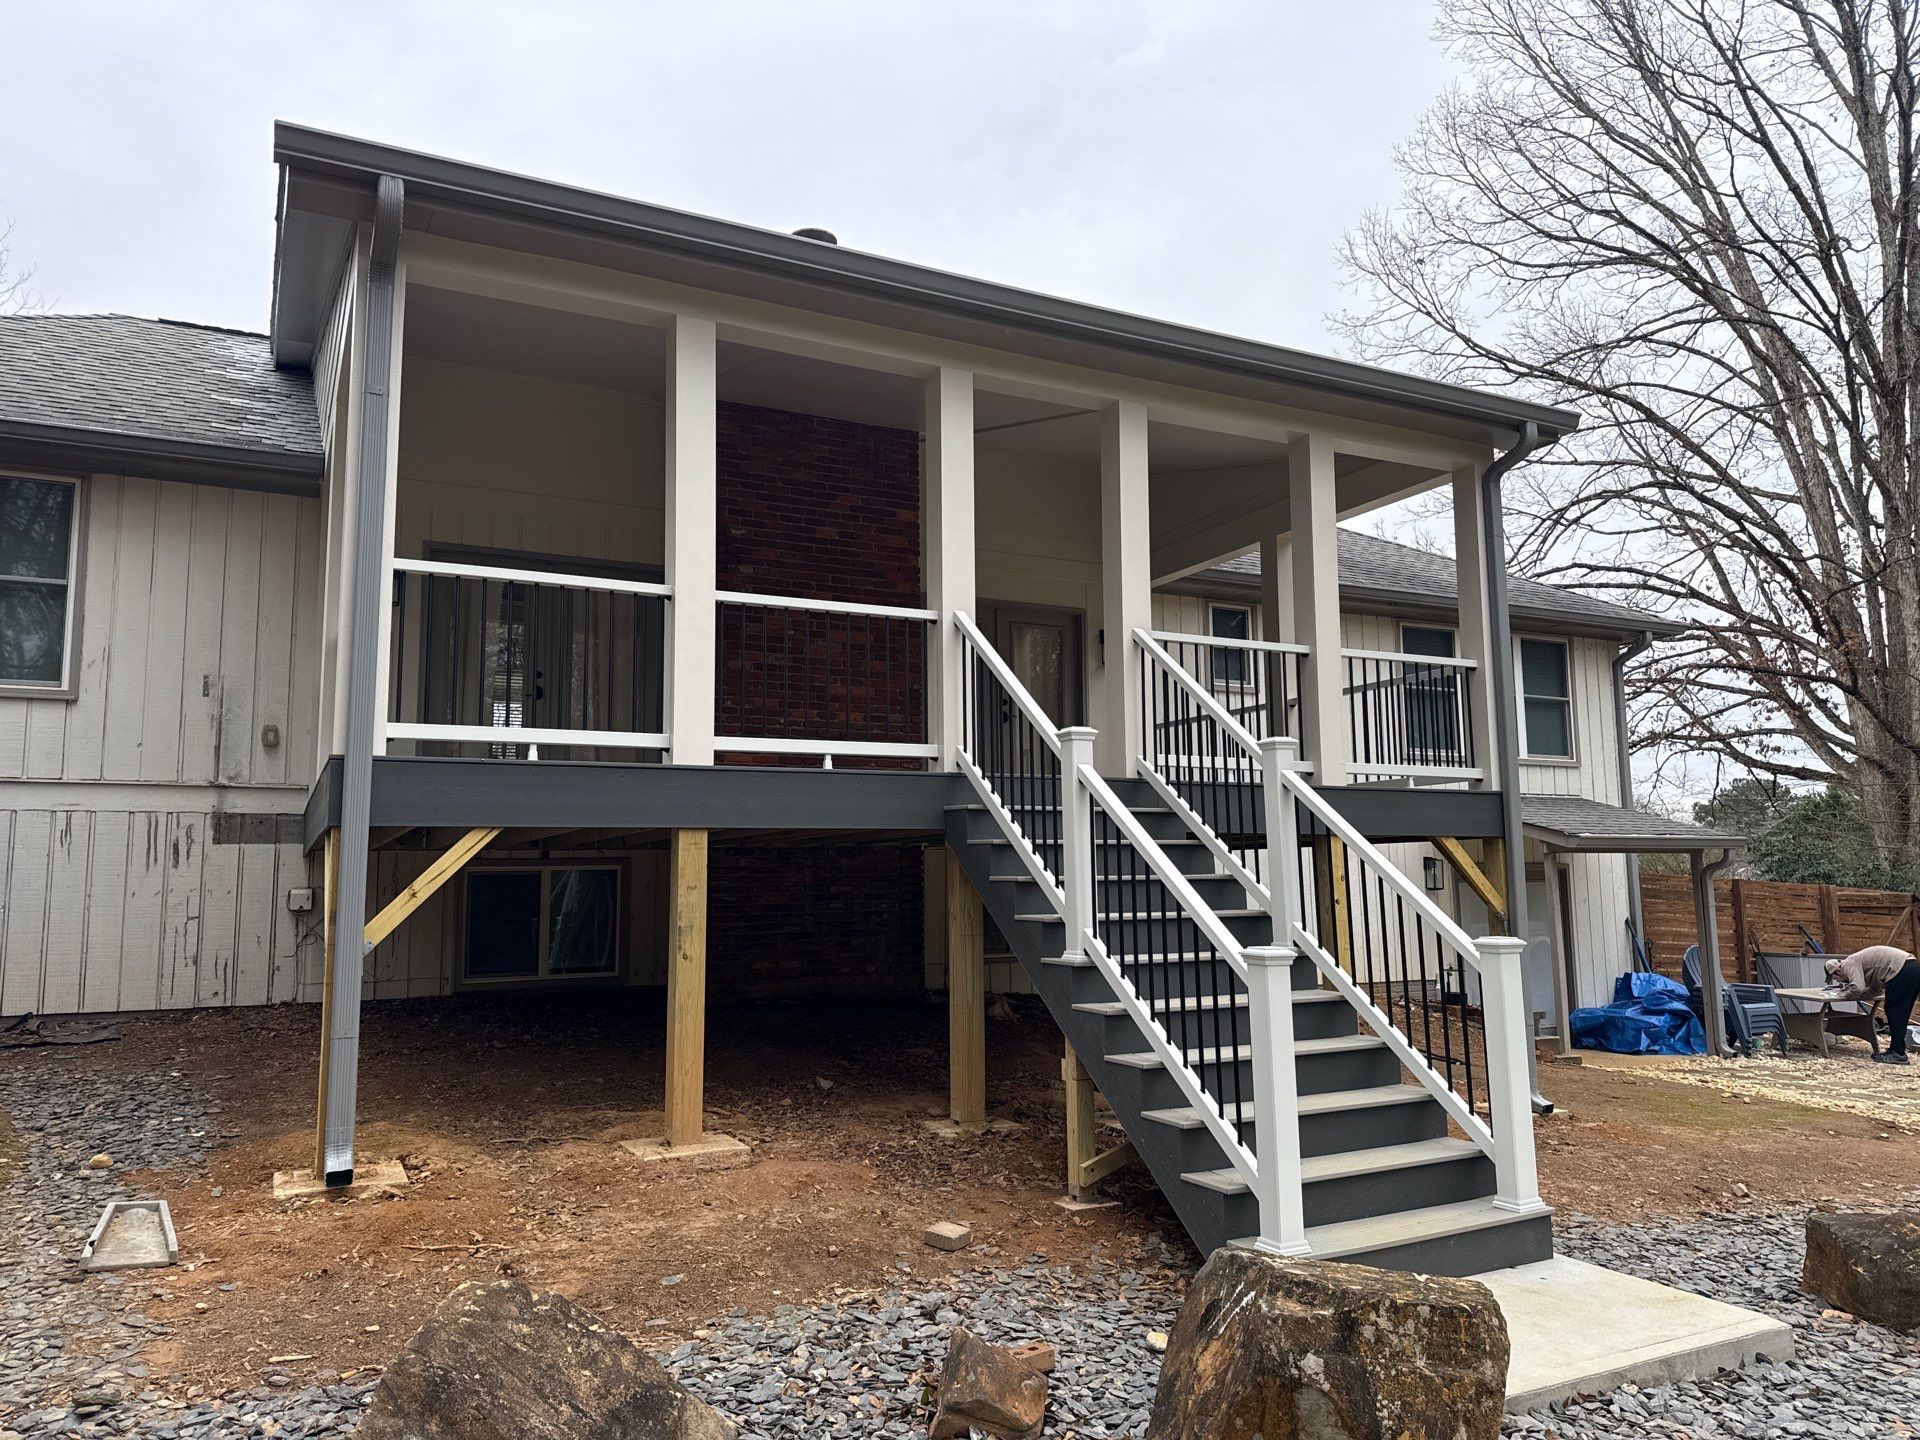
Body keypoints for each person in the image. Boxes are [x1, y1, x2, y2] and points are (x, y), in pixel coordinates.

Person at [1824, 945, 1920, 1065]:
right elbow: (1875, 991)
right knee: (1900, 1013)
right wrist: (1855, 993)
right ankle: (1895, 1050)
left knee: (1894, 1011)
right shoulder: (1866, 969)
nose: (1839, 981)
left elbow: (1857, 988)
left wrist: (1844, 995)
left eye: (1836, 978)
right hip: (1912, 968)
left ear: (1838, 971)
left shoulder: (1847, 964)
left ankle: (1898, 1053)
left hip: (1901, 970)